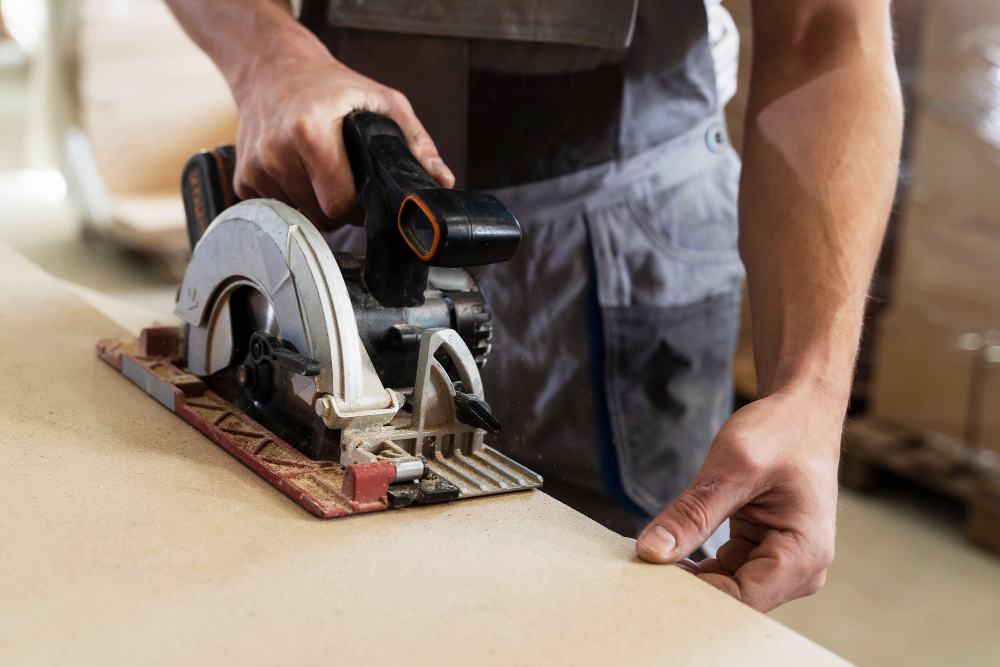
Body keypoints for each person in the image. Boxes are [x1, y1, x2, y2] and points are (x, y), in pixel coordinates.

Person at [164, 0, 903, 612]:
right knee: (320, 598)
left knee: (630, 609)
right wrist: (266, 50)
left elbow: (824, 34)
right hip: (354, 201)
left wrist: (811, 390)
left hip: (622, 246)